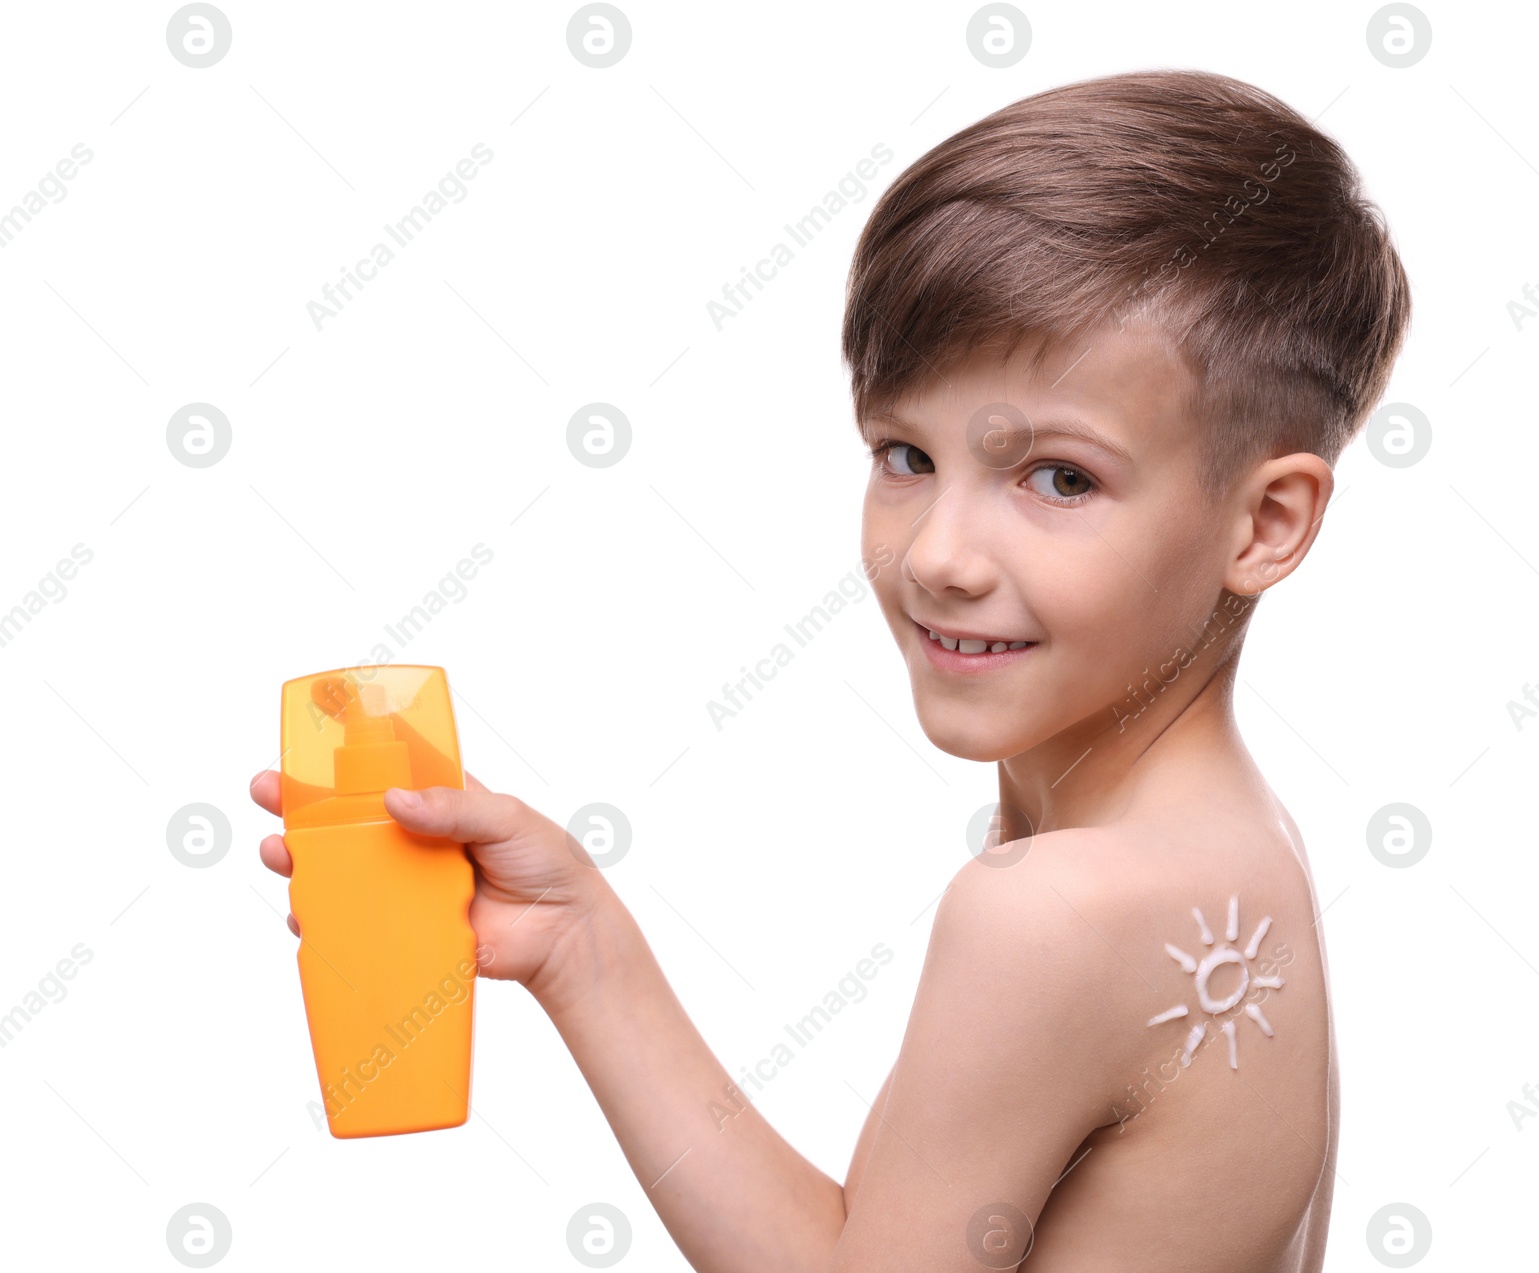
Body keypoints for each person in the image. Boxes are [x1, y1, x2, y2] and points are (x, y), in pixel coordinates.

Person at [252, 67, 1410, 1271]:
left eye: (1059, 478)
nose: (940, 555)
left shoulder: (1050, 916)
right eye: (904, 453)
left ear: (1266, 524)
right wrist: (577, 943)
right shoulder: (1234, 842)